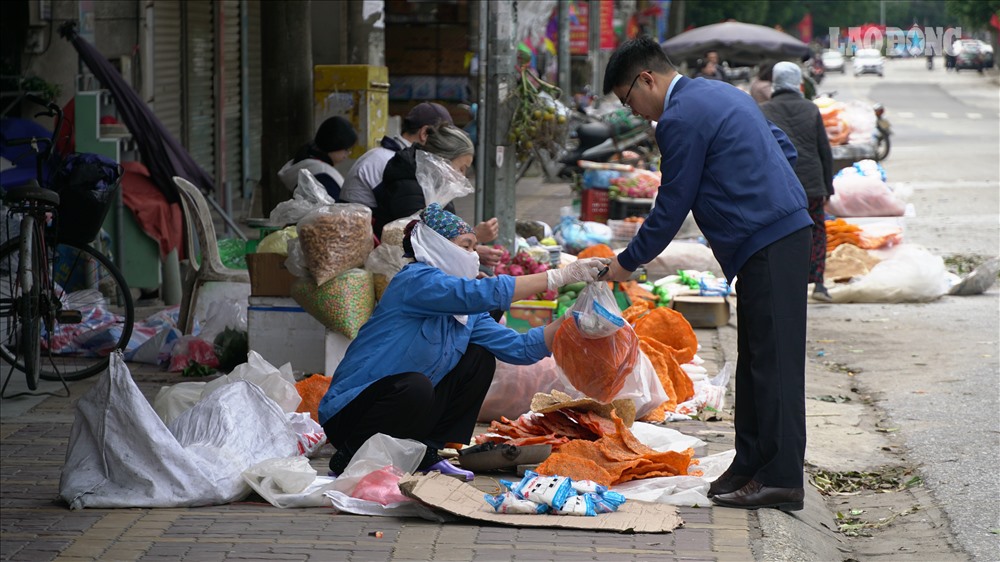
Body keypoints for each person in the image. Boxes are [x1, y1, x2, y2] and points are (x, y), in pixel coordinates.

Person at [600, 36, 813, 511]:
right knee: (758, 359)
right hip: (769, 236)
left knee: (775, 365)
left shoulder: (678, 119)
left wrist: (627, 262)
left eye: (628, 98)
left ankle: (782, 478)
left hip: (771, 239)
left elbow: (671, 205)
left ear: (647, 79)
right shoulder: (721, 93)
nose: (633, 111)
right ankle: (751, 464)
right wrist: (754, 186)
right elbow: (781, 147)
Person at [318, 203, 610, 478]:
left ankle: (427, 450)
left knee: (478, 359)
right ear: (438, 246)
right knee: (415, 386)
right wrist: (560, 276)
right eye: (465, 246)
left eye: (474, 247)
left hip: (404, 412)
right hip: (351, 415)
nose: (473, 255)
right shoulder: (415, 281)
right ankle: (350, 454)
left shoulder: (468, 315)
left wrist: (571, 317)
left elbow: (520, 350)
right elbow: (478, 292)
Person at [373, 123, 502, 267]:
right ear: (441, 161)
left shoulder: (437, 188)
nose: (463, 177)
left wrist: (472, 248)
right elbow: (418, 243)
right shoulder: (408, 185)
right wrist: (474, 236)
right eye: (461, 169)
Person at [759, 62, 835, 302]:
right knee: (816, 232)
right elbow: (824, 150)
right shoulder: (811, 109)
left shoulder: (763, 110)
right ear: (798, 84)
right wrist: (828, 188)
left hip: (779, 186)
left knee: (780, 235)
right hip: (811, 185)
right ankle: (819, 284)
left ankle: (784, 284)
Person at [340, 102, 453, 209]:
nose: (445, 144)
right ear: (424, 133)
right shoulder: (389, 161)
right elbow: (407, 212)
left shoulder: (391, 156)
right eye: (444, 137)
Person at [277, 116, 357, 200]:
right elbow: (336, 210)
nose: (349, 153)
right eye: (347, 149)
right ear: (334, 145)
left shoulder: (306, 160)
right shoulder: (322, 175)